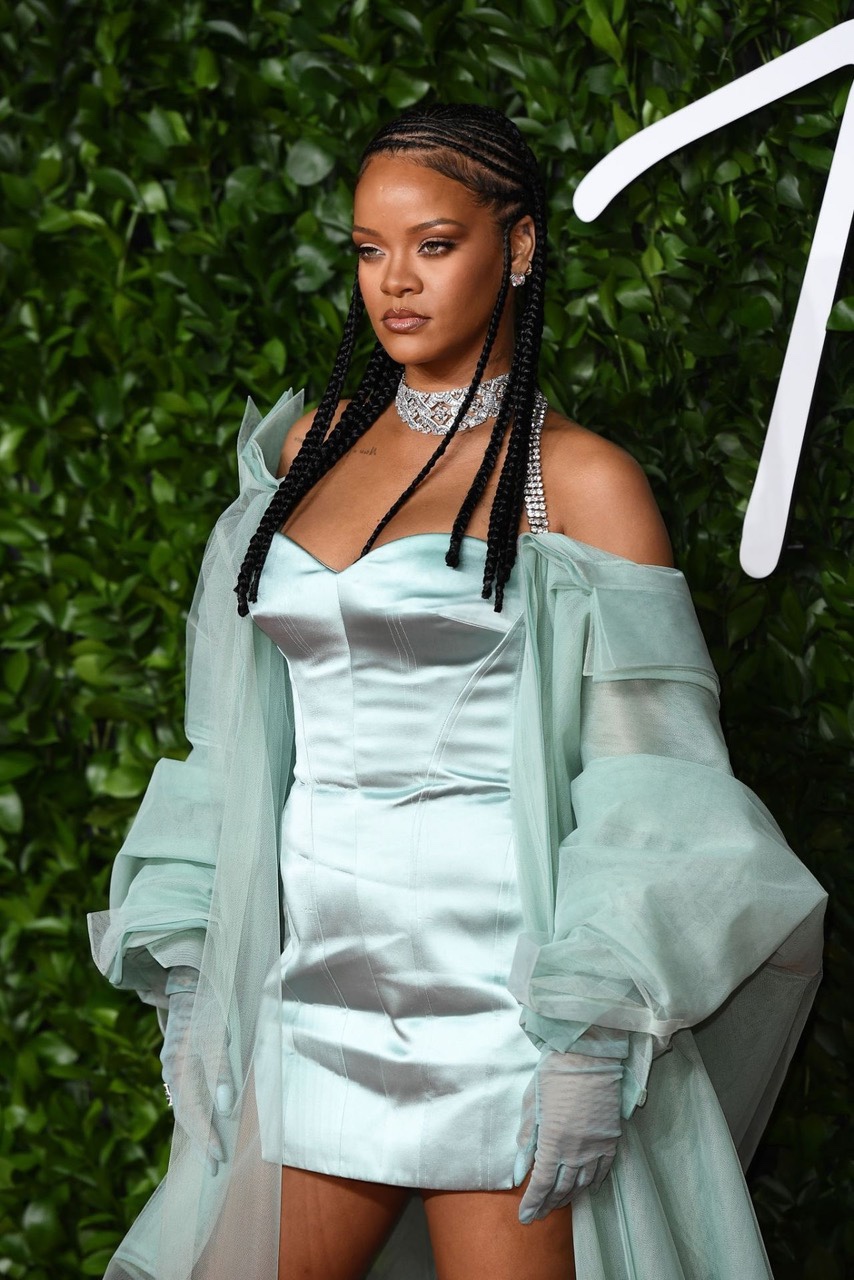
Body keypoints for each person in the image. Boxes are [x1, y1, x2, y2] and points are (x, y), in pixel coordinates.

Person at [88, 105, 828, 1280]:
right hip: (309, 993)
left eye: (432, 243)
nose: (394, 281)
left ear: (517, 245)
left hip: (500, 1014)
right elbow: (227, 737)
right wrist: (193, 968)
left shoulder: (575, 480)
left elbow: (652, 781)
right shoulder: (303, 453)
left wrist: (587, 1034)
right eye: (368, 249)